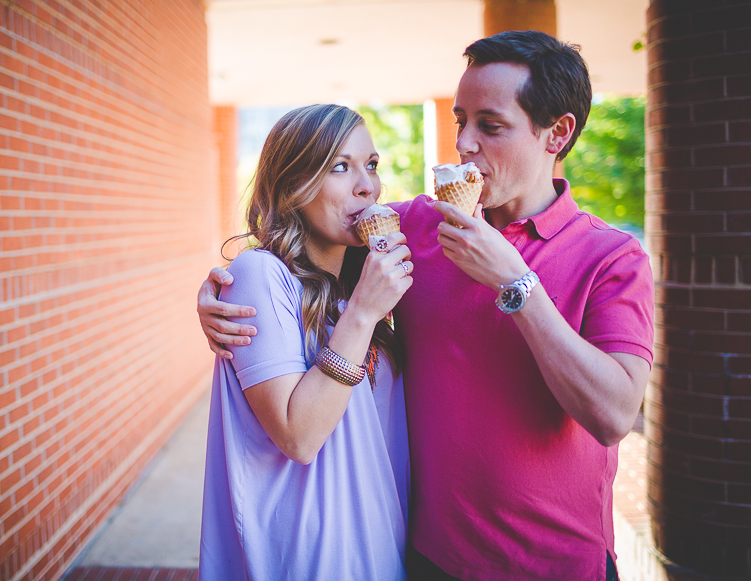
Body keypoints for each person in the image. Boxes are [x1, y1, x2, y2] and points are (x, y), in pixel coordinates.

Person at [198, 31, 654, 581]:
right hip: (424, 558)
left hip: (555, 565)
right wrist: (223, 290)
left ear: (557, 133)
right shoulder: (414, 227)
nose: (463, 143)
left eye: (491, 125)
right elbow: (310, 228)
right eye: (462, 119)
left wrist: (516, 282)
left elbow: (613, 416)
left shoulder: (611, 256)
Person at [199, 104, 414, 580]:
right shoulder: (260, 274)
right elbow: (298, 436)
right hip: (309, 558)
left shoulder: (353, 282)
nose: (368, 186)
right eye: (340, 167)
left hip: (378, 548)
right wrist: (362, 314)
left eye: (371, 165)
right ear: (292, 186)